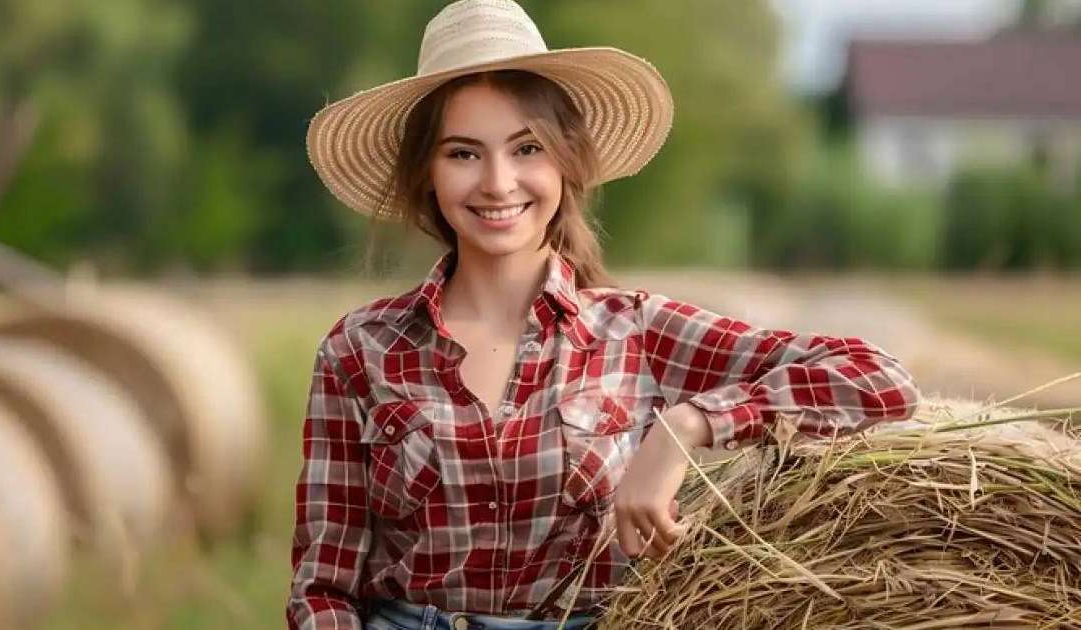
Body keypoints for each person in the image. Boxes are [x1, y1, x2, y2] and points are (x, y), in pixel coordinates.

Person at [289, 1, 921, 629]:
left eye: (526, 147)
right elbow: (322, 587)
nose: (498, 182)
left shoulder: (635, 331)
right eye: (463, 153)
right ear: (427, 172)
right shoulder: (359, 350)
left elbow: (876, 379)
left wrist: (686, 426)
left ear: (565, 160)